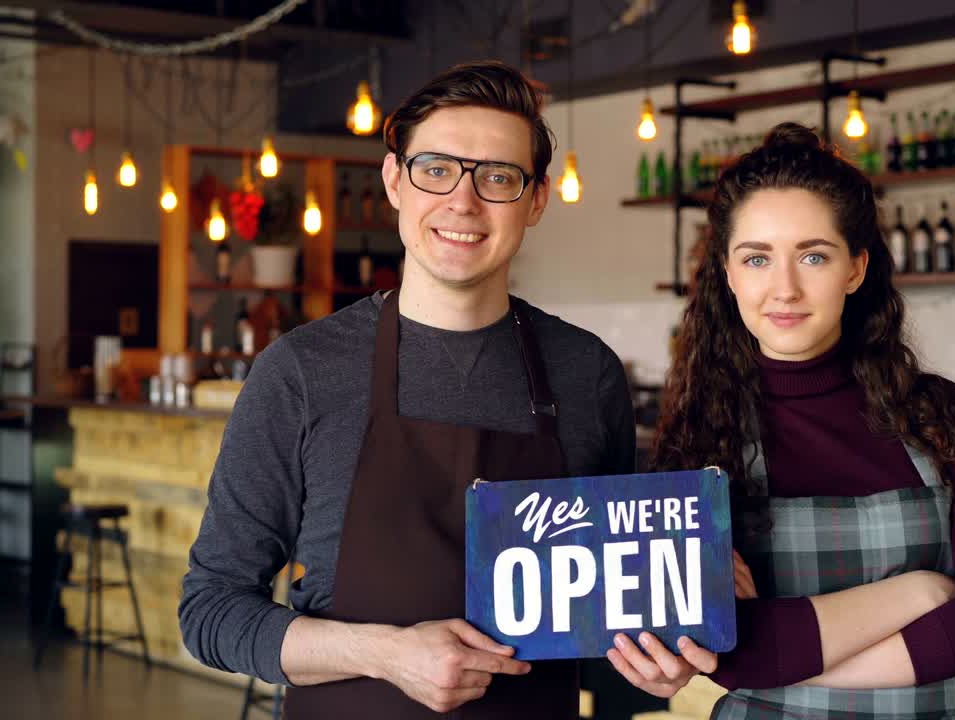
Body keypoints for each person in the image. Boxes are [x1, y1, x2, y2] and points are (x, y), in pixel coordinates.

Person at [179, 61, 643, 719]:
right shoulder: (301, 372)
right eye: (436, 169)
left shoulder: (587, 374)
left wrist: (678, 627)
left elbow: (619, 609)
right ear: (395, 179)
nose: (463, 201)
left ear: (537, 200)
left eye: (498, 177)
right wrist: (383, 654)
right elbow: (211, 610)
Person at [649, 123, 955, 718]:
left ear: (855, 268)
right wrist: (916, 593)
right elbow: (711, 645)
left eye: (813, 255)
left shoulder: (941, 415)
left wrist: (790, 663)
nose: (785, 288)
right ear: (727, 274)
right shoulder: (704, 438)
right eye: (757, 259)